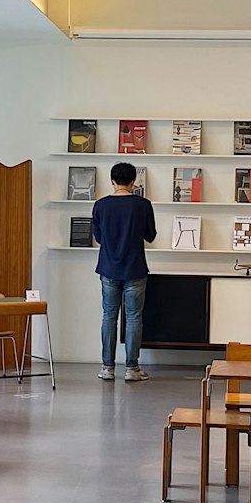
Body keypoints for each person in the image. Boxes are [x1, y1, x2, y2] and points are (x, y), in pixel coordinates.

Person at [91, 163, 157, 382]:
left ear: (112, 181)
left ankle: (107, 368)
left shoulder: (100, 206)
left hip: (108, 268)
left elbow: (99, 237)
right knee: (134, 317)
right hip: (135, 268)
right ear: (132, 182)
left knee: (109, 317)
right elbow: (150, 235)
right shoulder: (143, 205)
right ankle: (132, 368)